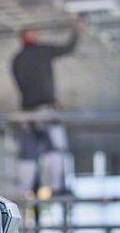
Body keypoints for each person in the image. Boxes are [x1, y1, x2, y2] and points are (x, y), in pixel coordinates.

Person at [11, 23, 82, 195]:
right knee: (55, 148)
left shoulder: (17, 60)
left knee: (28, 153)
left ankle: (22, 193)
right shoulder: (42, 51)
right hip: (46, 109)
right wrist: (76, 30)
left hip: (27, 113)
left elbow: (21, 84)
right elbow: (68, 48)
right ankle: (56, 188)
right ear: (29, 36)